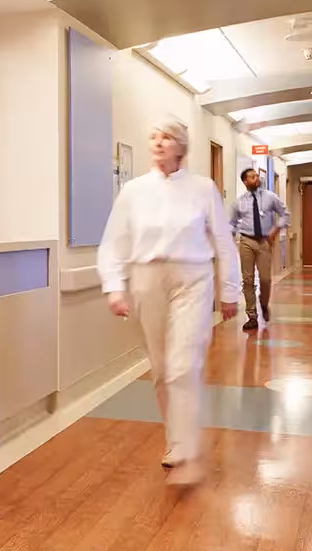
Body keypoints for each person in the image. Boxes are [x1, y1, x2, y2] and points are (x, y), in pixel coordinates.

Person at [98, 119, 240, 485]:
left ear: (182, 147)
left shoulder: (202, 188)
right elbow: (114, 241)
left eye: (168, 138)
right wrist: (114, 286)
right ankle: (175, 439)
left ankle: (186, 448)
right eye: (154, 136)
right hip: (147, 279)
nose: (159, 143)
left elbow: (223, 242)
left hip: (192, 278)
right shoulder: (133, 191)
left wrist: (229, 290)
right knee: (162, 369)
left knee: (183, 364)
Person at [230, 167, 291, 331]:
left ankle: (263, 303)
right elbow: (232, 224)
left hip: (265, 242)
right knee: (248, 280)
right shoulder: (239, 202)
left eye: (256, 176)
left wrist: (276, 229)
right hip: (246, 241)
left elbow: (285, 213)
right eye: (252, 177)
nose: (256, 178)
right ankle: (252, 316)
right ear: (245, 182)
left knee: (265, 279)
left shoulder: (270, 197)